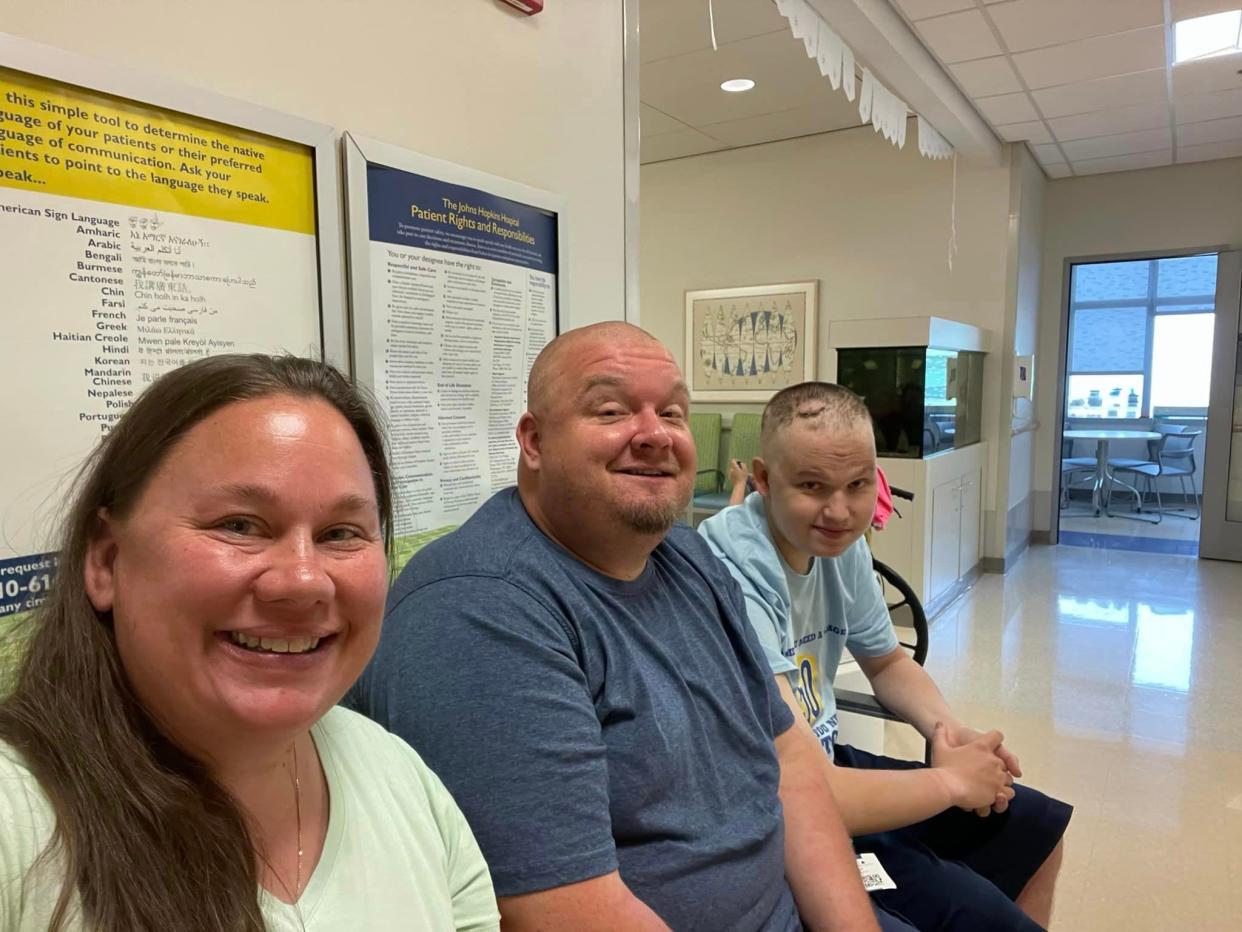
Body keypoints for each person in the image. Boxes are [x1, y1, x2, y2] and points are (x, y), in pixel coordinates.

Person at [347, 323, 887, 932]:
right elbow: (570, 913)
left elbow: (789, 763)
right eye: (611, 410)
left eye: (675, 413)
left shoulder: (691, 559)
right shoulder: (482, 612)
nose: (656, 435)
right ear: (533, 441)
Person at [0, 354, 498, 932]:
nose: (303, 581)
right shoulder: (17, 820)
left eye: (340, 534)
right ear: (107, 561)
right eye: (239, 525)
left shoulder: (397, 773)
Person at [698, 381, 1072, 931]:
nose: (841, 511)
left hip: (830, 765)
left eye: (856, 485)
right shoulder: (734, 569)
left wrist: (950, 734)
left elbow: (887, 662)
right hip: (776, 805)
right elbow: (803, 789)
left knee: (1036, 825)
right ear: (761, 478)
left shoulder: (836, 545)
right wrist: (947, 782)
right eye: (811, 485)